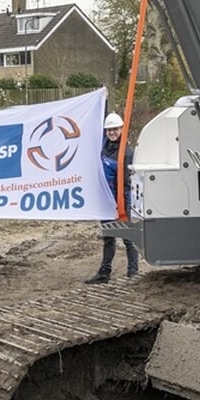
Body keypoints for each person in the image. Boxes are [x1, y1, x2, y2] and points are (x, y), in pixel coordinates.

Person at [87, 113, 138, 283]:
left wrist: (121, 203)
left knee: (128, 237)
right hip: (105, 199)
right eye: (109, 130)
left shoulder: (126, 152)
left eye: (115, 129)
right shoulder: (104, 146)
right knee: (108, 236)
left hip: (121, 199)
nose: (111, 132)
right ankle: (104, 272)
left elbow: (126, 181)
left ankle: (133, 273)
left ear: (121, 129)